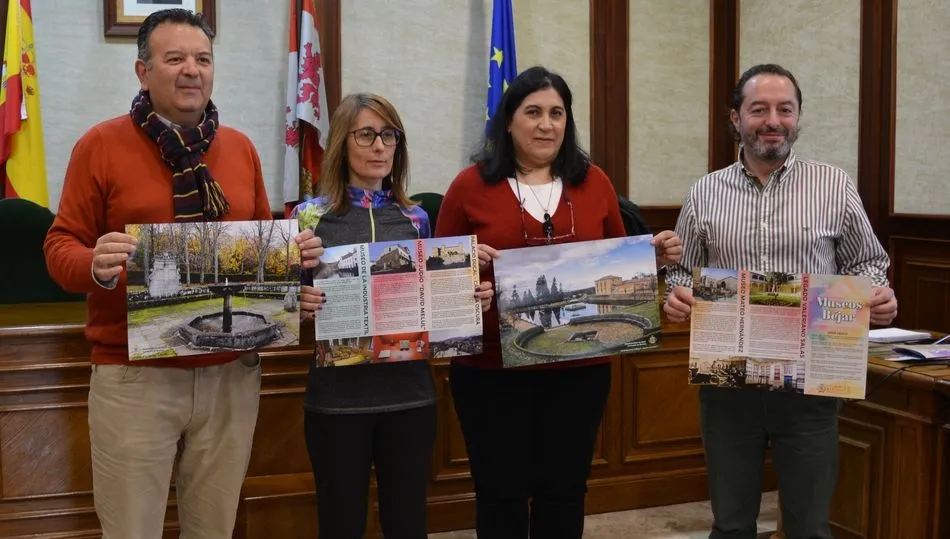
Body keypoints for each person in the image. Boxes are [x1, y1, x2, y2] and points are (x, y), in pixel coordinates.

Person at [43, 9, 324, 539]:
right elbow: (59, 247)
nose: (191, 70)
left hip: (231, 375)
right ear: (143, 72)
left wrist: (294, 273)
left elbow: (262, 244)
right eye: (174, 59)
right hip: (135, 379)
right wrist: (95, 264)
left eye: (202, 59)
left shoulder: (239, 149)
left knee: (214, 530)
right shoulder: (99, 146)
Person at [435, 65, 682, 539]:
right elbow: (441, 281)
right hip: (490, 374)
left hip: (579, 378)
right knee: (500, 493)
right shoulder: (469, 186)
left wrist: (652, 257)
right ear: (508, 121)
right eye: (533, 112)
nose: (546, 124)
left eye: (556, 113)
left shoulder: (595, 184)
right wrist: (468, 277)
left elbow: (618, 257)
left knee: (565, 491)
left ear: (567, 122)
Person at [663, 63, 898, 539]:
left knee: (810, 525)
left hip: (812, 383)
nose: (773, 120)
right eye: (759, 109)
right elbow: (679, 271)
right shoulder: (704, 193)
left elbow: (869, 262)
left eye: (784, 109)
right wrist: (676, 294)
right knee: (730, 523)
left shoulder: (834, 186)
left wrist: (875, 294)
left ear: (797, 117)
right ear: (735, 118)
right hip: (728, 382)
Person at [291, 92, 494, 539]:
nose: (380, 145)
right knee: (340, 523)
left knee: (407, 524)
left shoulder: (417, 217)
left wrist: (468, 297)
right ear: (342, 142)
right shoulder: (308, 217)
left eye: (389, 135)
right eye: (366, 134)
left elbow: (433, 304)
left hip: (409, 398)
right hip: (336, 401)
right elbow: (287, 308)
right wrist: (297, 303)